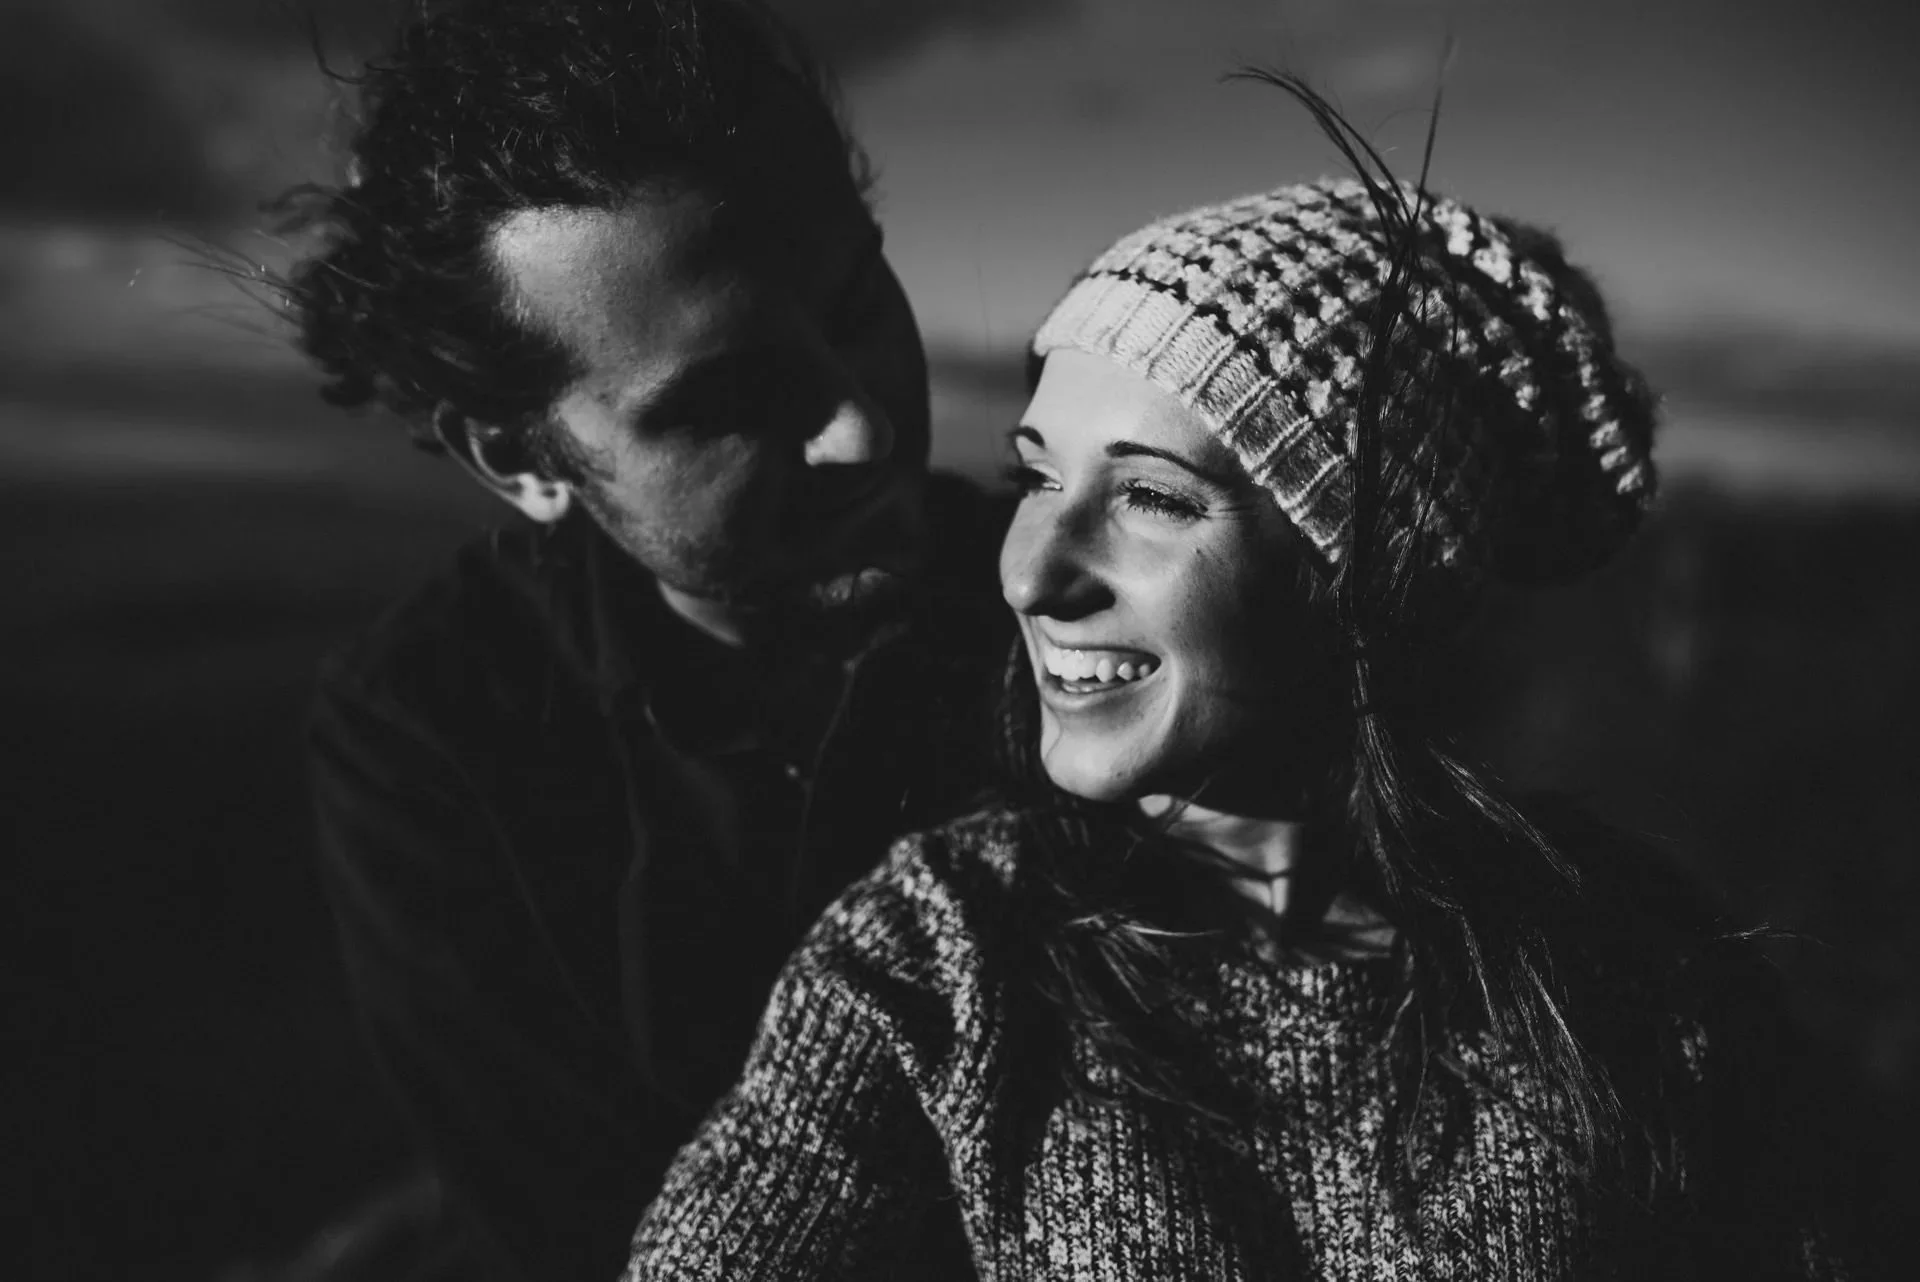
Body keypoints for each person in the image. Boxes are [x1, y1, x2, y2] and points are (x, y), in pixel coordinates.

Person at [624, 93, 1880, 1280]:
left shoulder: (1634, 976)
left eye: (1151, 497)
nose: (1030, 570)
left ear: (1363, 580)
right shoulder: (944, 954)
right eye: (1036, 477)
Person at [279, 2, 1006, 1279]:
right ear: (519, 460)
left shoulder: (1081, 623)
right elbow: (573, 1230)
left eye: (855, 304)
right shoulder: (431, 724)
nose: (866, 429)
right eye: (728, 399)